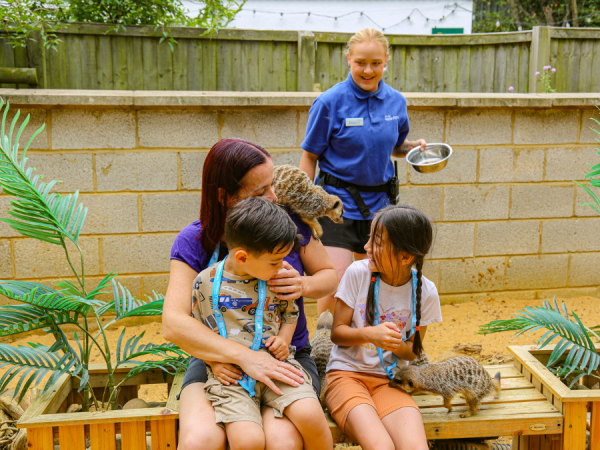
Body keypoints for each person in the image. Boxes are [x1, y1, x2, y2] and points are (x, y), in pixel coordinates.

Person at [162, 138, 338, 450]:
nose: (274, 198)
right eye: (260, 192)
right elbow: (174, 323)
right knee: (201, 440)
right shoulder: (194, 241)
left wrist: (304, 285)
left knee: (282, 442)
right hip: (218, 363)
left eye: (272, 185)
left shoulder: (284, 224)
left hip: (286, 356)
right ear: (224, 196)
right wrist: (243, 357)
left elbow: (329, 276)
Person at [299, 28, 427, 315]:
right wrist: (302, 205)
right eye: (360, 63)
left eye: (375, 63)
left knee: (377, 281)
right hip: (335, 207)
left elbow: (395, 146)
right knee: (338, 279)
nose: (368, 70)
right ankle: (325, 347)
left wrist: (412, 149)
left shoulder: (397, 102)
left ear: (386, 61)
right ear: (348, 59)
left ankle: (368, 346)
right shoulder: (329, 103)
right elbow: (309, 156)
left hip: (380, 210)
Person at [193, 197, 332, 450]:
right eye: (275, 261)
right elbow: (195, 330)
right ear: (243, 257)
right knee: (248, 441)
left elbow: (291, 313)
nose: (283, 267)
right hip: (231, 377)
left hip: (278, 365)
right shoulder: (205, 283)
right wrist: (213, 361)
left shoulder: (277, 276)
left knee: (311, 415)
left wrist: (284, 339)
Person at [325, 205, 442, 450]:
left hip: (389, 381)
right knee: (381, 446)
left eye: (376, 242)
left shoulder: (426, 292)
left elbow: (411, 351)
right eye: (369, 238)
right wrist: (369, 334)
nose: (366, 246)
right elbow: (337, 333)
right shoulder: (358, 273)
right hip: (346, 375)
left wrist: (395, 343)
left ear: (405, 257)